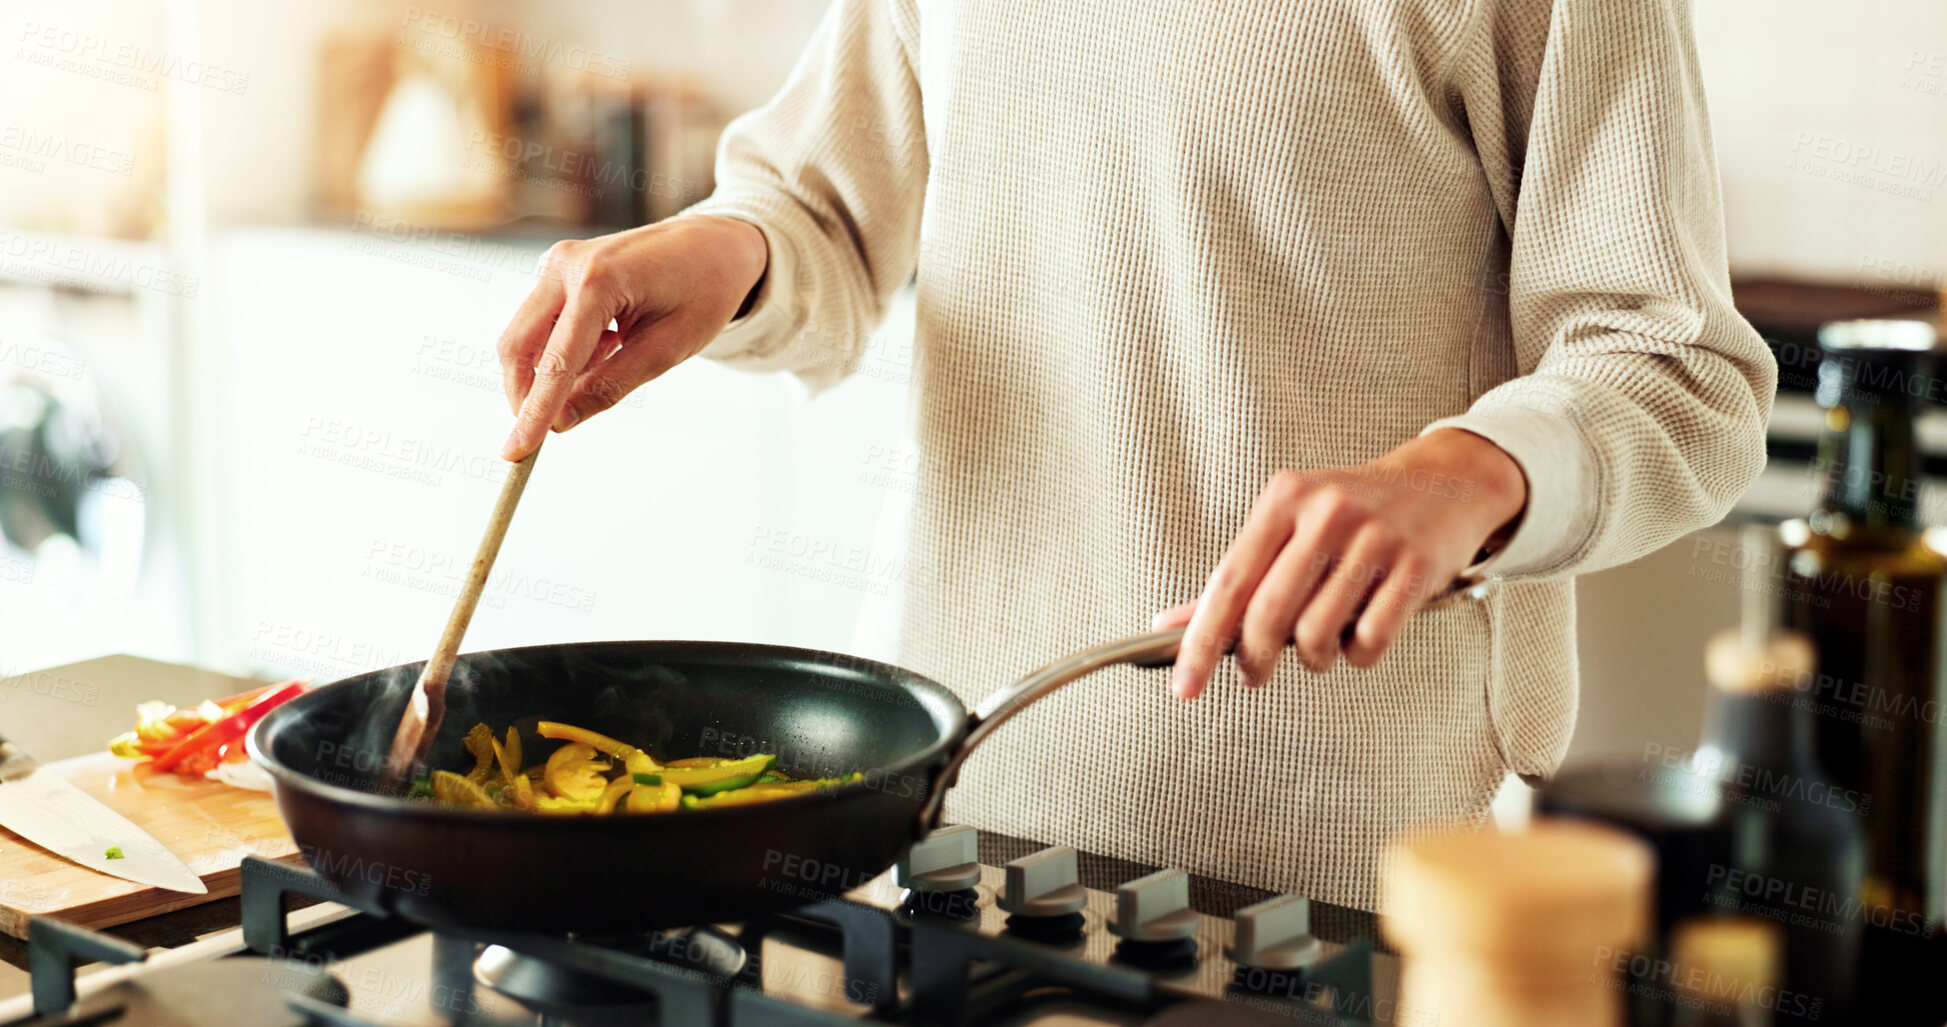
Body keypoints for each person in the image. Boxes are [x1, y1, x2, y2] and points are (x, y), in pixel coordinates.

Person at [493, 0, 1774, 909]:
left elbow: (1675, 369)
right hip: (959, 801)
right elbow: (823, 203)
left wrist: (1464, 472)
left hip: (1351, 861)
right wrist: (737, 249)